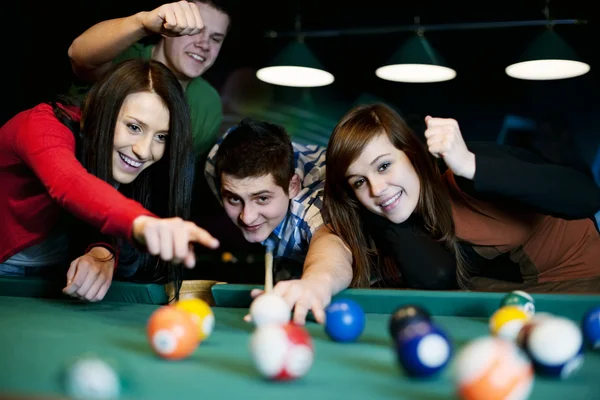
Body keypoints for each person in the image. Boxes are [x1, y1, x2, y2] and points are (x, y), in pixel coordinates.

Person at [0, 59, 219, 302]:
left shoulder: (123, 161)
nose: (144, 151)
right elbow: (70, 183)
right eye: (134, 127)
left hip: (53, 275)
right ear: (101, 109)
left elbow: (95, 208)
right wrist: (141, 223)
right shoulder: (41, 126)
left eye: (161, 136)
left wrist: (102, 250)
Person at [322, 102, 600, 294]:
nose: (377, 188)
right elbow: (435, 275)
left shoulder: (464, 172)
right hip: (510, 304)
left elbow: (586, 196)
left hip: (584, 285)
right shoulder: (379, 215)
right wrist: (388, 214)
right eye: (359, 181)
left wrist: (468, 164)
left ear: (414, 155)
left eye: (384, 166)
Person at [204, 118, 352, 324]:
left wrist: (316, 282)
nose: (247, 217)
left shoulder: (313, 206)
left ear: (293, 187)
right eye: (234, 199)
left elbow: (332, 246)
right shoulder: (215, 165)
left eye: (262, 198)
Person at [67, 0, 231, 159]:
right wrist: (142, 23)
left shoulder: (209, 105)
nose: (204, 45)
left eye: (215, 39)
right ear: (169, 24)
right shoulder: (122, 58)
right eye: (195, 30)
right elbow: (78, 56)